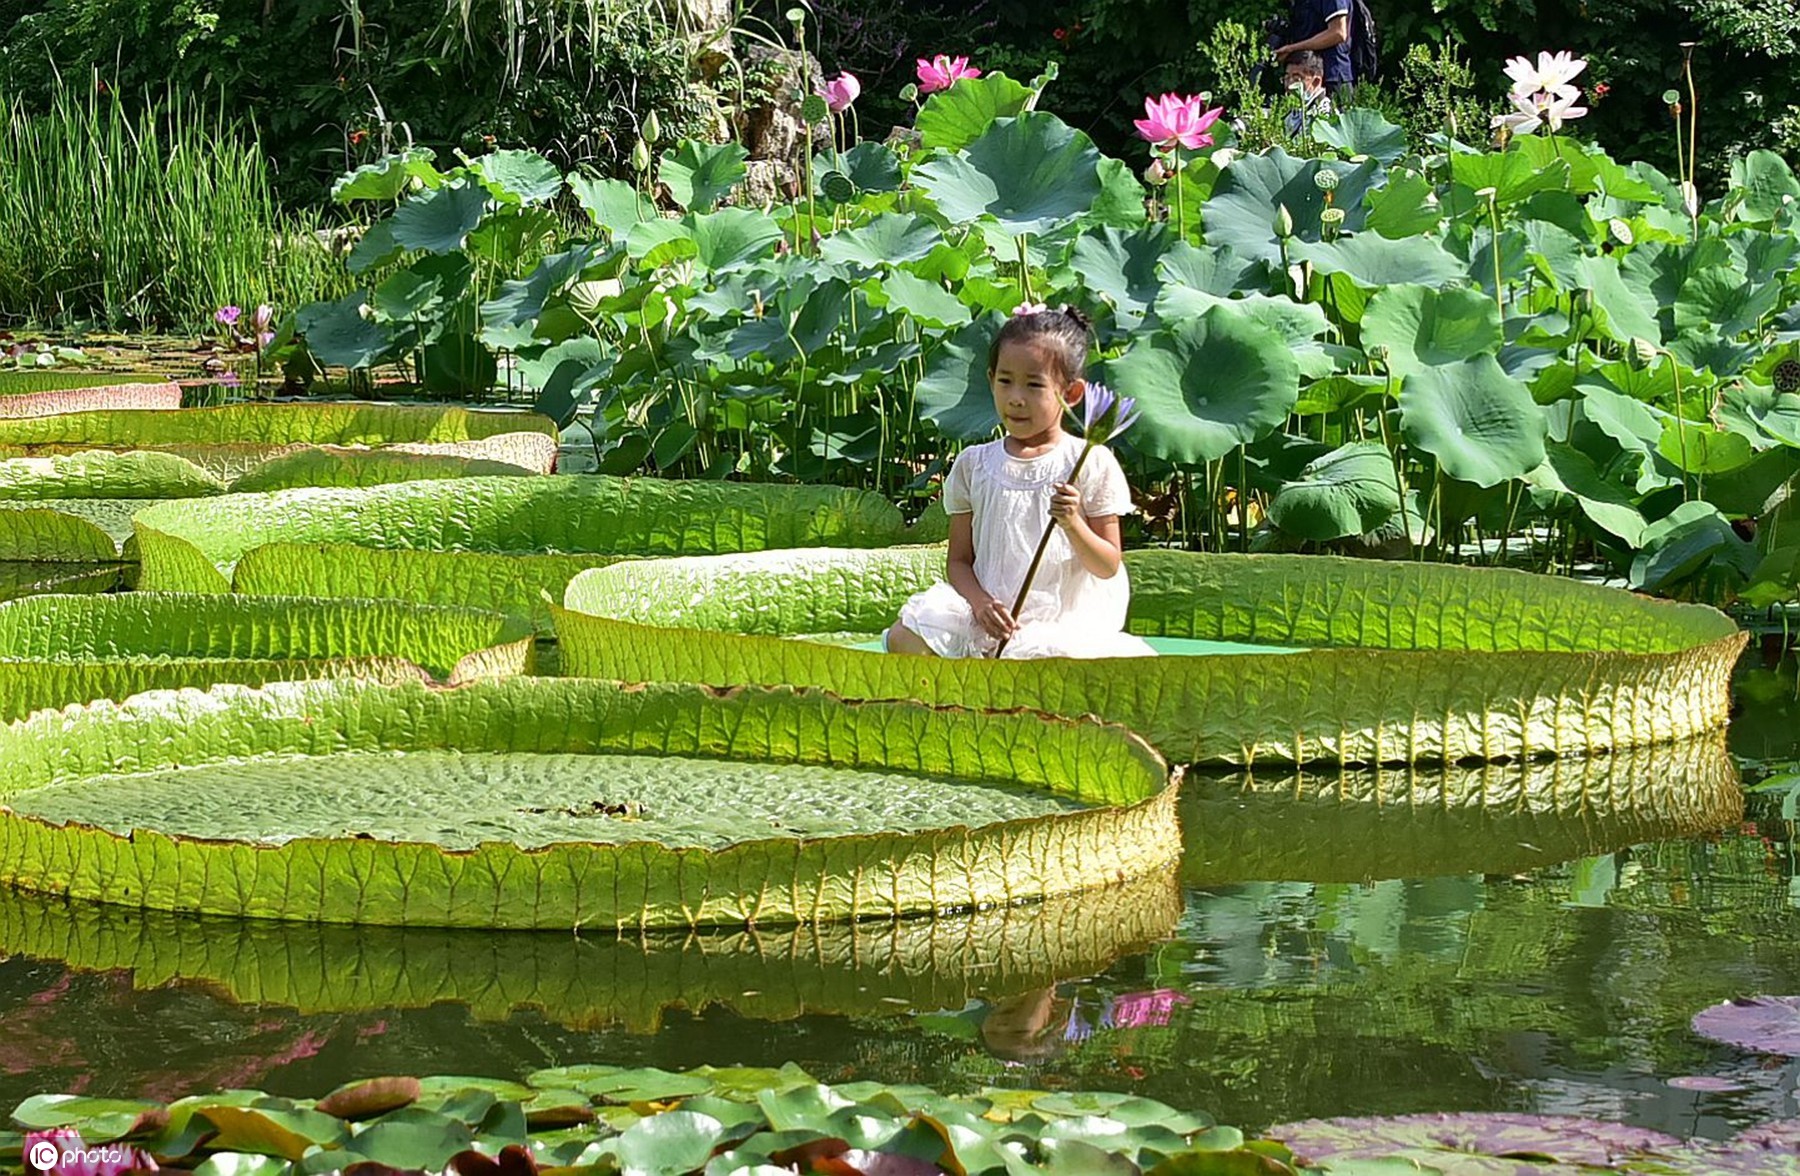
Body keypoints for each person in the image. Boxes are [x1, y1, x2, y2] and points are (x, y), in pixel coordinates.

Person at [885, 305, 1154, 660]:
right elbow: (959, 562)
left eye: (1034, 385)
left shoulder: (1090, 461)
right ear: (990, 378)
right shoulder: (973, 464)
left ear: (1071, 394)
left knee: (1054, 662)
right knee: (904, 636)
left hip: (1059, 625)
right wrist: (981, 605)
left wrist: (1072, 523)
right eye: (1005, 381)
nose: (1016, 398)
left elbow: (1107, 564)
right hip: (987, 618)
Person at [1274, 0, 1353, 101]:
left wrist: (1292, 48)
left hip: (1332, 76)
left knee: (1337, 116)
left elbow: (1338, 33)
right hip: (1305, 75)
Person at [1283, 50, 1334, 139]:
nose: (1289, 85)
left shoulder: (1324, 112)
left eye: (1296, 78)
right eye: (1287, 77)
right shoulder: (1291, 109)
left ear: (1316, 82)